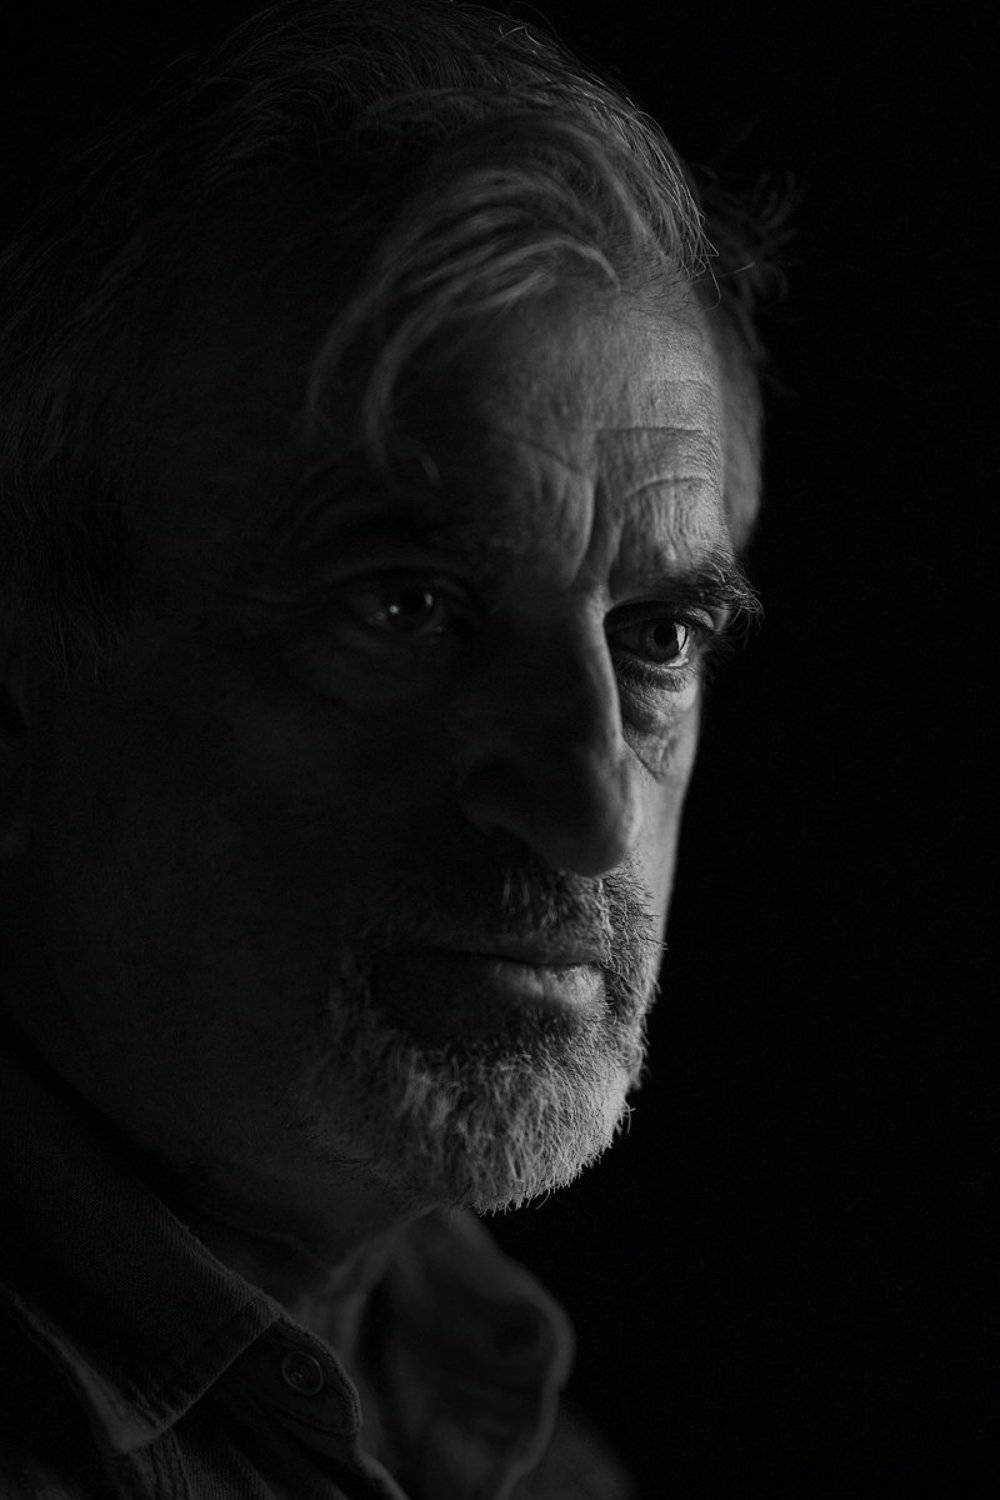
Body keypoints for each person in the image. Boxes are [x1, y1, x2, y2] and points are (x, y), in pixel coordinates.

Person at [0, 1, 787, 1494]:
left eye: (657, 638)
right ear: (19, 676)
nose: (587, 810)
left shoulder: (539, 1454)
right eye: (406, 606)